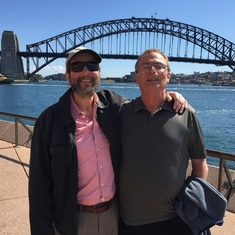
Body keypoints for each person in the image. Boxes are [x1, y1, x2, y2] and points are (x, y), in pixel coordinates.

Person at [28, 46, 187, 235]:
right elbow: (39, 187)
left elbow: (146, 105)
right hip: (73, 220)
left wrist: (169, 96)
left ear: (99, 72)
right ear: (68, 76)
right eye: (77, 66)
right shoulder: (49, 121)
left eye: (92, 65)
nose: (86, 72)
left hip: (114, 215)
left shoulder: (114, 105)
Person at [118, 48, 209, 235]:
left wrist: (193, 206)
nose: (152, 70)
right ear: (136, 77)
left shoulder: (186, 114)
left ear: (168, 75)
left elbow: (200, 164)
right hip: (130, 221)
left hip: (177, 220)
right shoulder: (121, 113)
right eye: (145, 67)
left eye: (159, 66)